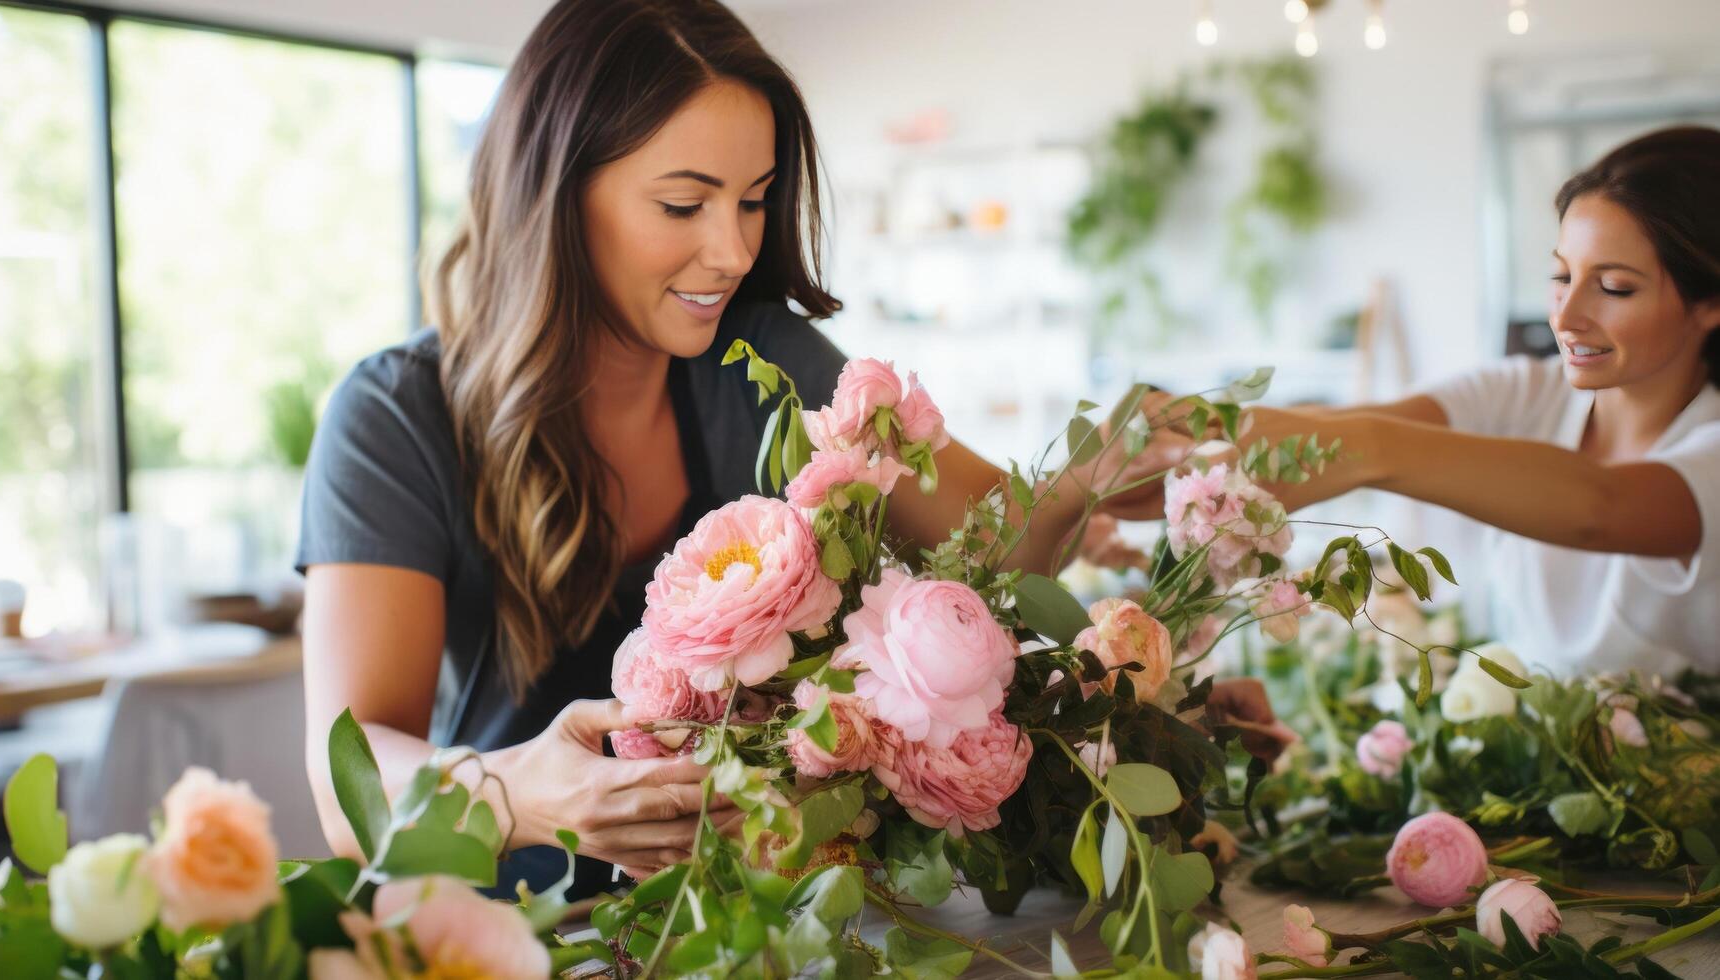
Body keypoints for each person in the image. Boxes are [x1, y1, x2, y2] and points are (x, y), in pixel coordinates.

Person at [296, 0, 1179, 897]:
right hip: (501, 932)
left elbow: (999, 539)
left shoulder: (759, 361)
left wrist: (1087, 481)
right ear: (557, 195)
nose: (731, 250)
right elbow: (348, 790)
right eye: (683, 203)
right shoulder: (395, 416)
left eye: (753, 200)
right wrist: (520, 793)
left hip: (744, 923)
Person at [1224, 127, 1720, 676]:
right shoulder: (1528, 392)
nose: (1564, 316)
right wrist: (1180, 438)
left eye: (1615, 287)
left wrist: (1368, 452)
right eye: (1562, 276)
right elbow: (1355, 423)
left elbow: (1599, 508)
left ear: (1709, 304)